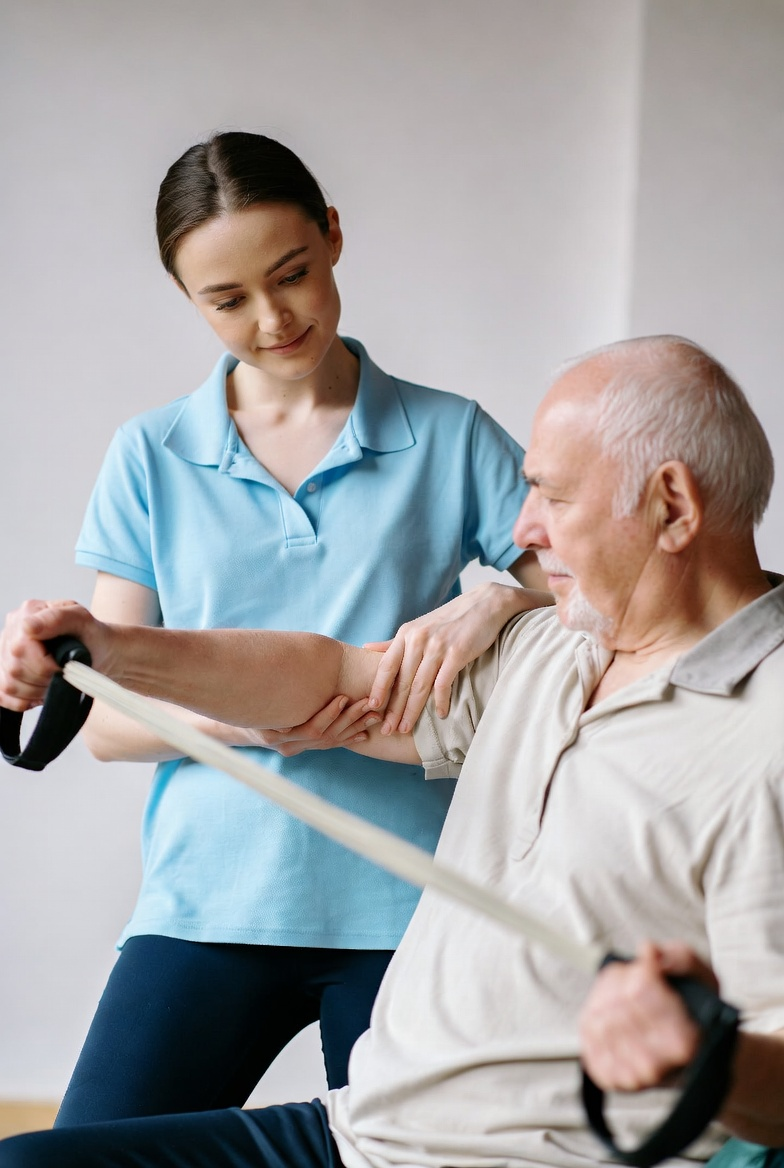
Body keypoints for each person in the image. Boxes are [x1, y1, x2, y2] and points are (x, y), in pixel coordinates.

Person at [2, 334, 783, 1168]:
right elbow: (328, 678)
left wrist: (707, 1055)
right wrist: (112, 647)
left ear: (671, 505)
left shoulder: (766, 736)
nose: (523, 529)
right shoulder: (552, 645)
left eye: (553, 498)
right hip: (357, 1135)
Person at [47, 129, 550, 1124]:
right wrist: (256, 718)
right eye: (227, 301)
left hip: (411, 900)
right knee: (76, 1155)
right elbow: (103, 720)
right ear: (187, 297)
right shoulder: (148, 454)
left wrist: (492, 593)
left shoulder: (449, 433)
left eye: (294, 275)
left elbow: (582, 589)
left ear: (332, 236)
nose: (273, 319)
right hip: (207, 900)